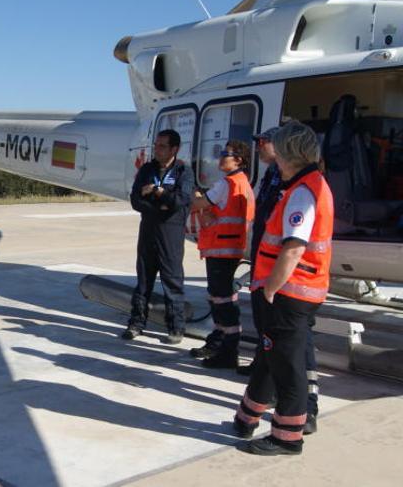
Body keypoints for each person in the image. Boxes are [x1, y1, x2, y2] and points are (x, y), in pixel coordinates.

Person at [233, 121, 333, 456]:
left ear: (287, 153)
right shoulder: (307, 184)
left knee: (287, 365)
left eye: (276, 148)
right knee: (270, 354)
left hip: (290, 292)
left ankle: (287, 437)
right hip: (295, 290)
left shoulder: (303, 192)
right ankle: (247, 417)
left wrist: (271, 288)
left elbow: (293, 247)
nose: (271, 154)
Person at [123, 129, 195, 344]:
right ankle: (136, 323)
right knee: (143, 281)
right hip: (148, 232)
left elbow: (179, 202)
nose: (157, 149)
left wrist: (159, 192)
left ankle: (175, 327)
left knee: (172, 281)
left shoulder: (184, 171)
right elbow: (136, 200)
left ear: (174, 149)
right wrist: (159, 207)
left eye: (162, 146)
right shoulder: (147, 169)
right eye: (156, 145)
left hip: (170, 235)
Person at [189, 140, 254, 368]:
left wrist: (194, 194)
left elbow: (197, 203)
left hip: (220, 249)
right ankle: (218, 343)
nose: (220, 158)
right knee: (221, 297)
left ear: (238, 160)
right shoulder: (243, 183)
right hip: (231, 248)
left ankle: (227, 351)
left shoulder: (227, 183)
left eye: (225, 154)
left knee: (222, 300)